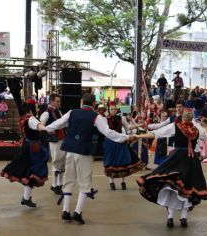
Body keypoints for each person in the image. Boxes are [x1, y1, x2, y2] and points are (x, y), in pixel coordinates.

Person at [38, 93, 136, 224]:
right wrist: (126, 137)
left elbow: (58, 124)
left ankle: (65, 211)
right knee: (85, 182)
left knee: (69, 180)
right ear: (94, 104)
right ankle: (77, 212)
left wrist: (43, 127)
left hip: (70, 150)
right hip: (84, 152)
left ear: (82, 102)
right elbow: (108, 133)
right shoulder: (96, 117)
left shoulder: (72, 112)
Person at [136, 108, 207, 228]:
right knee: (183, 188)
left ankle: (175, 217)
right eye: (188, 114)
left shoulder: (178, 127)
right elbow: (204, 135)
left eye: (188, 114)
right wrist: (196, 124)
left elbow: (158, 133)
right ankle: (180, 218)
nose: (188, 115)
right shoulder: (192, 129)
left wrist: (139, 136)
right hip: (189, 160)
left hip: (180, 159)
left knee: (174, 187)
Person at [0, 100, 48, 207]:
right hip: (33, 148)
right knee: (33, 172)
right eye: (35, 105)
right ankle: (26, 198)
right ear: (31, 108)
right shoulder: (31, 119)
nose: (37, 107)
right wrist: (47, 129)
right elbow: (38, 126)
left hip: (26, 146)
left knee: (29, 172)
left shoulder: (23, 118)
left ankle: (26, 198)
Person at [103, 102, 145, 190]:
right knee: (111, 162)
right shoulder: (105, 119)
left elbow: (128, 128)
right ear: (109, 110)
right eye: (112, 109)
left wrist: (138, 125)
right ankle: (111, 182)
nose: (113, 111)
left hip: (120, 141)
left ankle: (123, 181)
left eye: (115, 109)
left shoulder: (121, 118)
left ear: (117, 109)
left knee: (122, 161)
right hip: (110, 143)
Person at [40, 94, 66, 195]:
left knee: (62, 161)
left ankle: (59, 184)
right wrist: (48, 130)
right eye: (57, 101)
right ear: (51, 101)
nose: (59, 103)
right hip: (54, 140)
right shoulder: (46, 113)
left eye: (59, 101)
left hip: (62, 139)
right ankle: (54, 185)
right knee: (56, 161)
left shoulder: (58, 111)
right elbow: (40, 124)